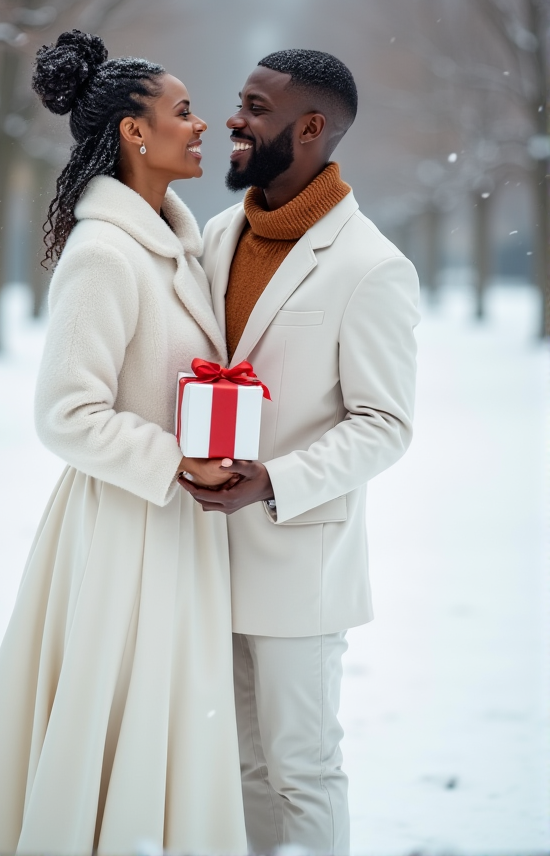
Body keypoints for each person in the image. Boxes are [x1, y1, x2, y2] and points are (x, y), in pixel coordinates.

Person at [0, 30, 246, 856]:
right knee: (113, 725)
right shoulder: (107, 252)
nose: (202, 124)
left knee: (167, 722)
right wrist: (175, 460)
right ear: (133, 134)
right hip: (121, 533)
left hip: (175, 528)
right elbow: (65, 413)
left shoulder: (175, 245)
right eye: (183, 112)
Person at [180, 49, 420, 855]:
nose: (233, 120)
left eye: (255, 105)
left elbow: (385, 422)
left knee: (302, 770)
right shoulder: (219, 235)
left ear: (311, 128)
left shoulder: (372, 267)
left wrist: (273, 481)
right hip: (203, 555)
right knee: (241, 767)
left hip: (298, 565)